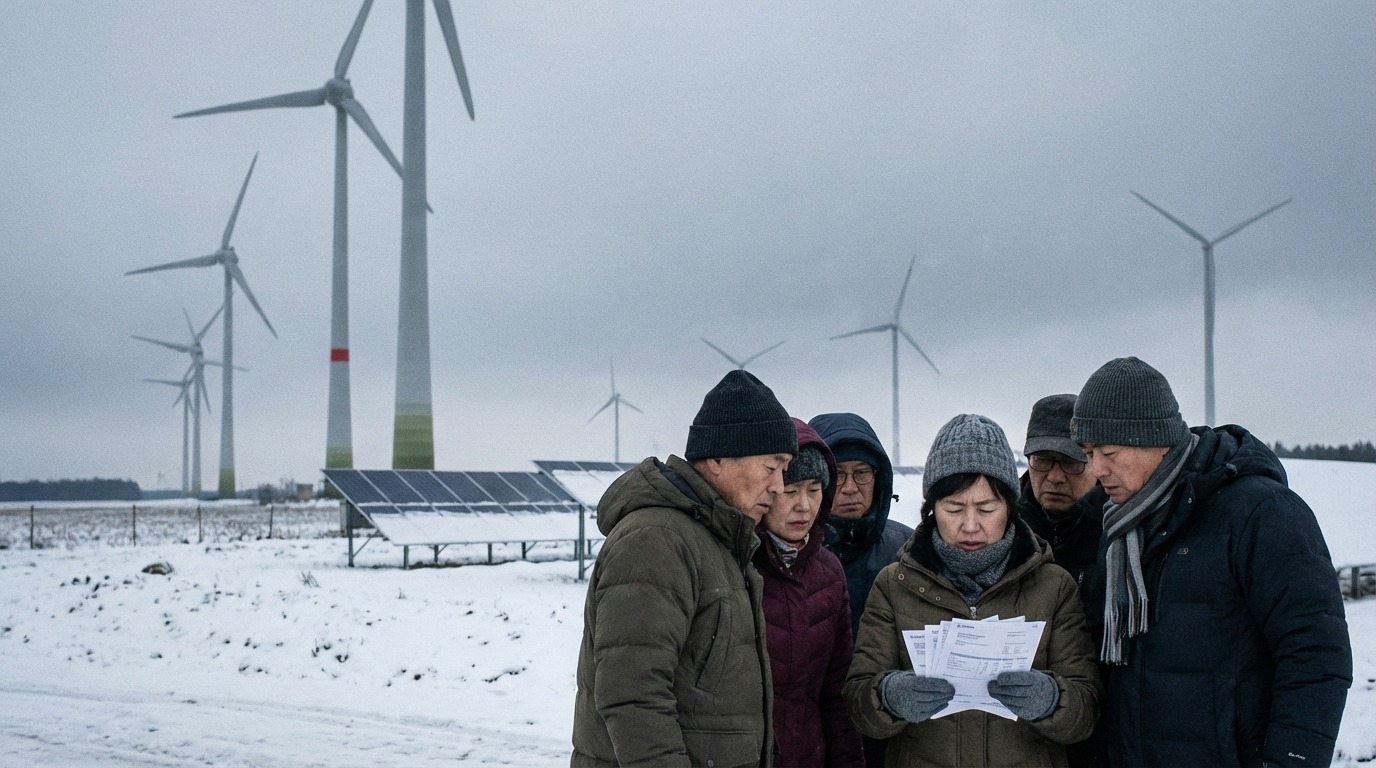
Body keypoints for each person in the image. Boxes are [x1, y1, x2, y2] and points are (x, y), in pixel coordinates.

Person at [1072, 356, 1352, 767]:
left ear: (1154, 438)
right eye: (1089, 452)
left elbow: (1315, 655)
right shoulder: (1116, 528)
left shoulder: (1261, 513)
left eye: (1108, 451)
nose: (1095, 469)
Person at [846, 414, 1102, 767]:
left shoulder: (1054, 586)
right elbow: (858, 702)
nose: (970, 525)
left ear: (1010, 509)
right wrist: (888, 697)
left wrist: (1051, 699)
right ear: (931, 510)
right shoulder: (894, 585)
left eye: (986, 508)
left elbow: (1087, 710)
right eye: (953, 508)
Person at [571, 369, 798, 767]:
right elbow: (633, 695)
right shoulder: (657, 540)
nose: (780, 486)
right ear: (717, 458)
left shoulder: (718, 540)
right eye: (771, 467)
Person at [754, 418, 865, 768]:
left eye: (815, 489)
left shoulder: (828, 573)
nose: (804, 505)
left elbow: (836, 696)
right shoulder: (733, 565)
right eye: (790, 491)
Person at [808, 413, 912, 639]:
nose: (850, 488)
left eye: (862, 472)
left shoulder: (908, 550)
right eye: (838, 473)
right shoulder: (788, 552)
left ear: (879, 478)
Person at [1016, 394, 1108, 590]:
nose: (1055, 477)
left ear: (1096, 461)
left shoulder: (1119, 526)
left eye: (1071, 462)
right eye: (1042, 459)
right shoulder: (1001, 525)